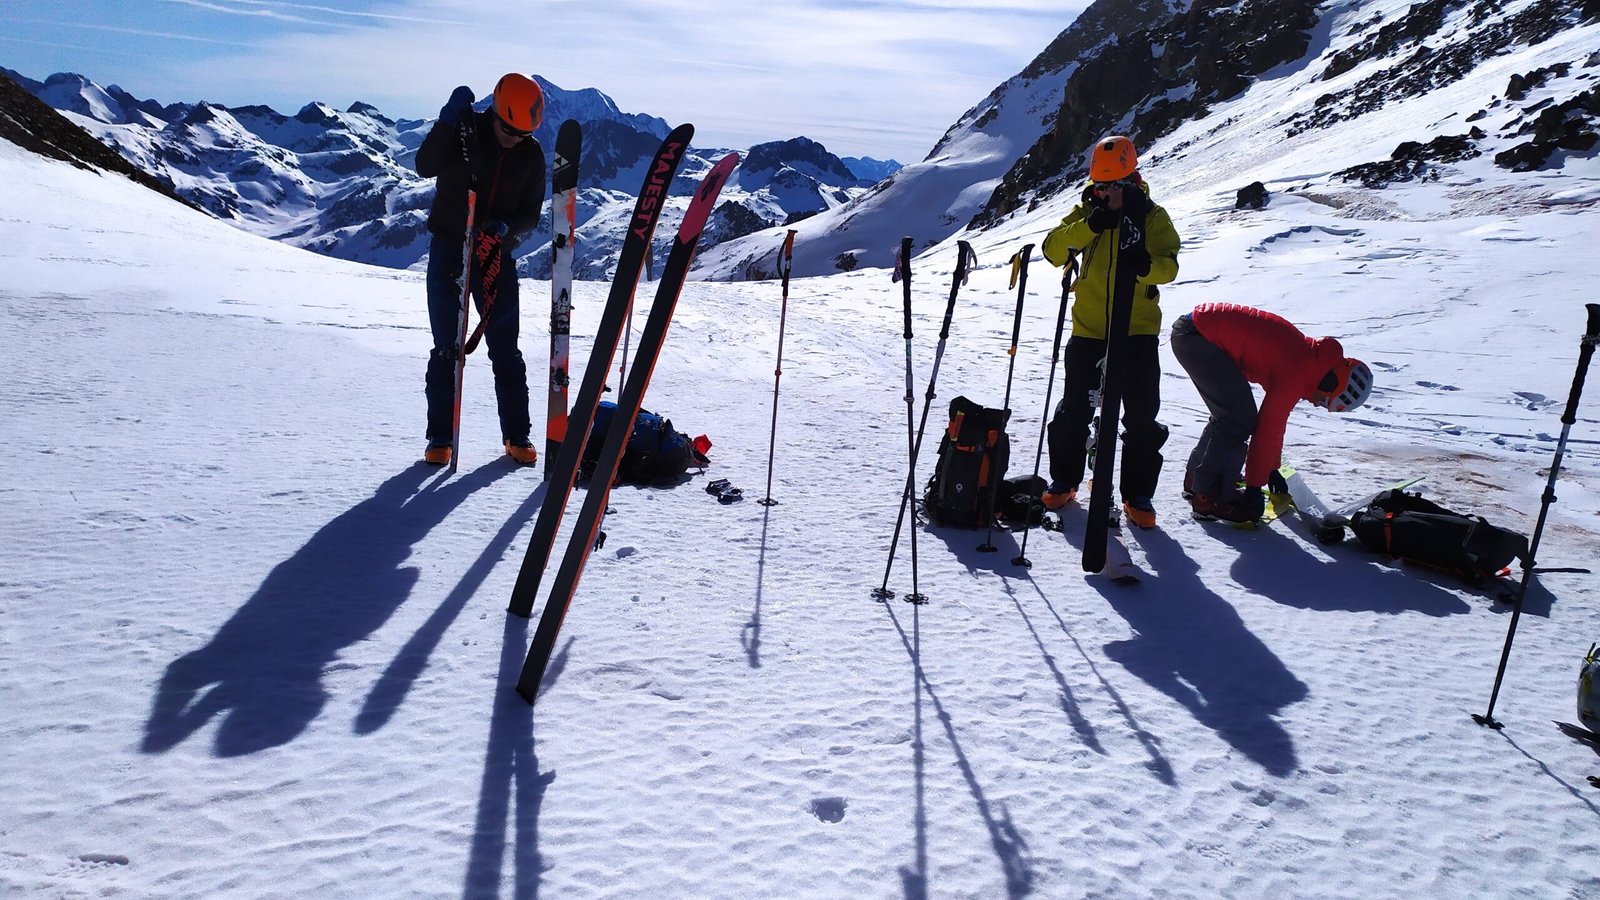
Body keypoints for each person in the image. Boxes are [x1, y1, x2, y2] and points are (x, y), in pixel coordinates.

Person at [1038, 136, 1181, 529]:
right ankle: (1065, 479)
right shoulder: (1086, 211)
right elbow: (1053, 250)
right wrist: (1090, 225)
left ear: (1132, 179)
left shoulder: (1152, 216)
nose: (1108, 193)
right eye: (1102, 186)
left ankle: (1137, 494)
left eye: (1115, 186)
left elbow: (1169, 266)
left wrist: (1144, 266)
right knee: (1074, 410)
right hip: (1088, 328)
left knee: (1140, 415)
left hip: (1136, 331)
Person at [414, 74, 547, 466]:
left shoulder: (531, 154)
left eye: (523, 132)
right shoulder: (462, 132)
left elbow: (530, 214)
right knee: (446, 348)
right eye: (509, 128)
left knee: (506, 348)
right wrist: (444, 125)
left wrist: (507, 232)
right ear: (495, 113)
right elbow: (424, 165)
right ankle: (441, 437)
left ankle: (516, 435)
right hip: (450, 247)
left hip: (494, 256)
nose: (514, 137)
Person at [1170, 302, 1374, 523]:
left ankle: (1197, 482)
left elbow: (1273, 429)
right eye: (1325, 401)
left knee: (1231, 413)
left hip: (1194, 331)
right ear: (1331, 385)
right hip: (1198, 337)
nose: (1317, 405)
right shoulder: (1298, 372)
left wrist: (1271, 470)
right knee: (1237, 417)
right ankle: (1208, 495)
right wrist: (1254, 487)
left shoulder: (1309, 359)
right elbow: (1267, 430)